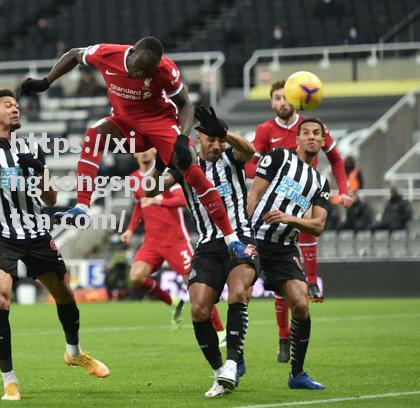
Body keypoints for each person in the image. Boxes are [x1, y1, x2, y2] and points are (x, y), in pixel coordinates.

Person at [0, 88, 109, 401]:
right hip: (0, 234)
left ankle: (74, 352)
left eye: (17, 105)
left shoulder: (30, 148)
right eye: (8, 105)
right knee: (0, 299)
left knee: (64, 294)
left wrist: (39, 171)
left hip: (36, 232)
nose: (15, 109)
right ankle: (9, 380)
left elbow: (51, 198)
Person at [20, 36, 253, 263]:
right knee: (93, 135)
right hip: (125, 125)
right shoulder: (106, 54)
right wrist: (46, 81)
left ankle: (231, 239)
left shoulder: (165, 69)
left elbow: (185, 104)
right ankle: (82, 207)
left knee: (191, 168)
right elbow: (73, 55)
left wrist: (182, 139)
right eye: (138, 68)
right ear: (131, 54)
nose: (140, 75)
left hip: (159, 124)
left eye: (146, 72)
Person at [245, 80, 352, 363]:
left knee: (295, 280)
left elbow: (337, 159)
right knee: (252, 289)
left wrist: (344, 191)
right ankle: (279, 338)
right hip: (272, 205)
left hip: (307, 197)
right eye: (276, 98)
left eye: (285, 97)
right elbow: (250, 166)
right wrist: (268, 176)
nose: (281, 102)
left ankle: (312, 282)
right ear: (271, 103)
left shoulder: (309, 126)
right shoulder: (268, 133)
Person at [163, 106, 259, 397]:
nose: (216, 145)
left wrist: (224, 131)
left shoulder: (232, 157)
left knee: (239, 290)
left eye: (220, 140)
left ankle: (232, 362)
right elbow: (154, 188)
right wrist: (161, 163)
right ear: (198, 139)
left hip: (240, 238)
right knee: (199, 308)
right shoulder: (184, 165)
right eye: (211, 139)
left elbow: (250, 150)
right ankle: (220, 372)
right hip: (207, 245)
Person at [247, 118, 331, 390]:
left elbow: (318, 226)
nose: (311, 137)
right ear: (297, 138)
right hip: (256, 239)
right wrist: (245, 230)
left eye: (316, 134)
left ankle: (297, 374)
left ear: (322, 140)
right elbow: (254, 193)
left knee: (302, 305)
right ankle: (233, 364)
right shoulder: (279, 157)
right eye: (305, 133)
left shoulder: (320, 182)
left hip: (284, 248)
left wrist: (288, 219)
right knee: (240, 295)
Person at [120, 147, 226, 335]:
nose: (143, 153)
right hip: (152, 242)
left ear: (154, 151)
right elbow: (139, 206)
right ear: (134, 154)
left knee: (196, 287)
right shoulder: (133, 179)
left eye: (147, 149)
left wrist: (159, 201)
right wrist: (130, 229)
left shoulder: (165, 175)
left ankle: (220, 332)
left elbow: (182, 199)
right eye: (139, 150)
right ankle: (173, 302)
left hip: (176, 241)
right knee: (136, 278)